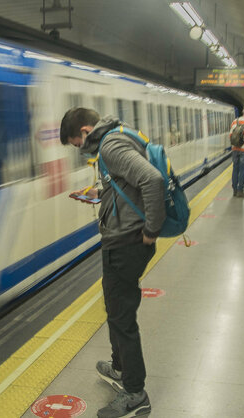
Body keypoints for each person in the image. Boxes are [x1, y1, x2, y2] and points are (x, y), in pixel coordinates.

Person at [60, 108, 164, 418]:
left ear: (85, 130)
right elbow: (126, 185)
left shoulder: (110, 145)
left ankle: (135, 393)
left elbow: (153, 180)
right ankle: (120, 368)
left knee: (122, 317)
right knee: (115, 309)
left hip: (127, 241)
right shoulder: (115, 137)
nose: (80, 150)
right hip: (121, 239)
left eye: (77, 144)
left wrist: (150, 231)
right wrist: (98, 194)